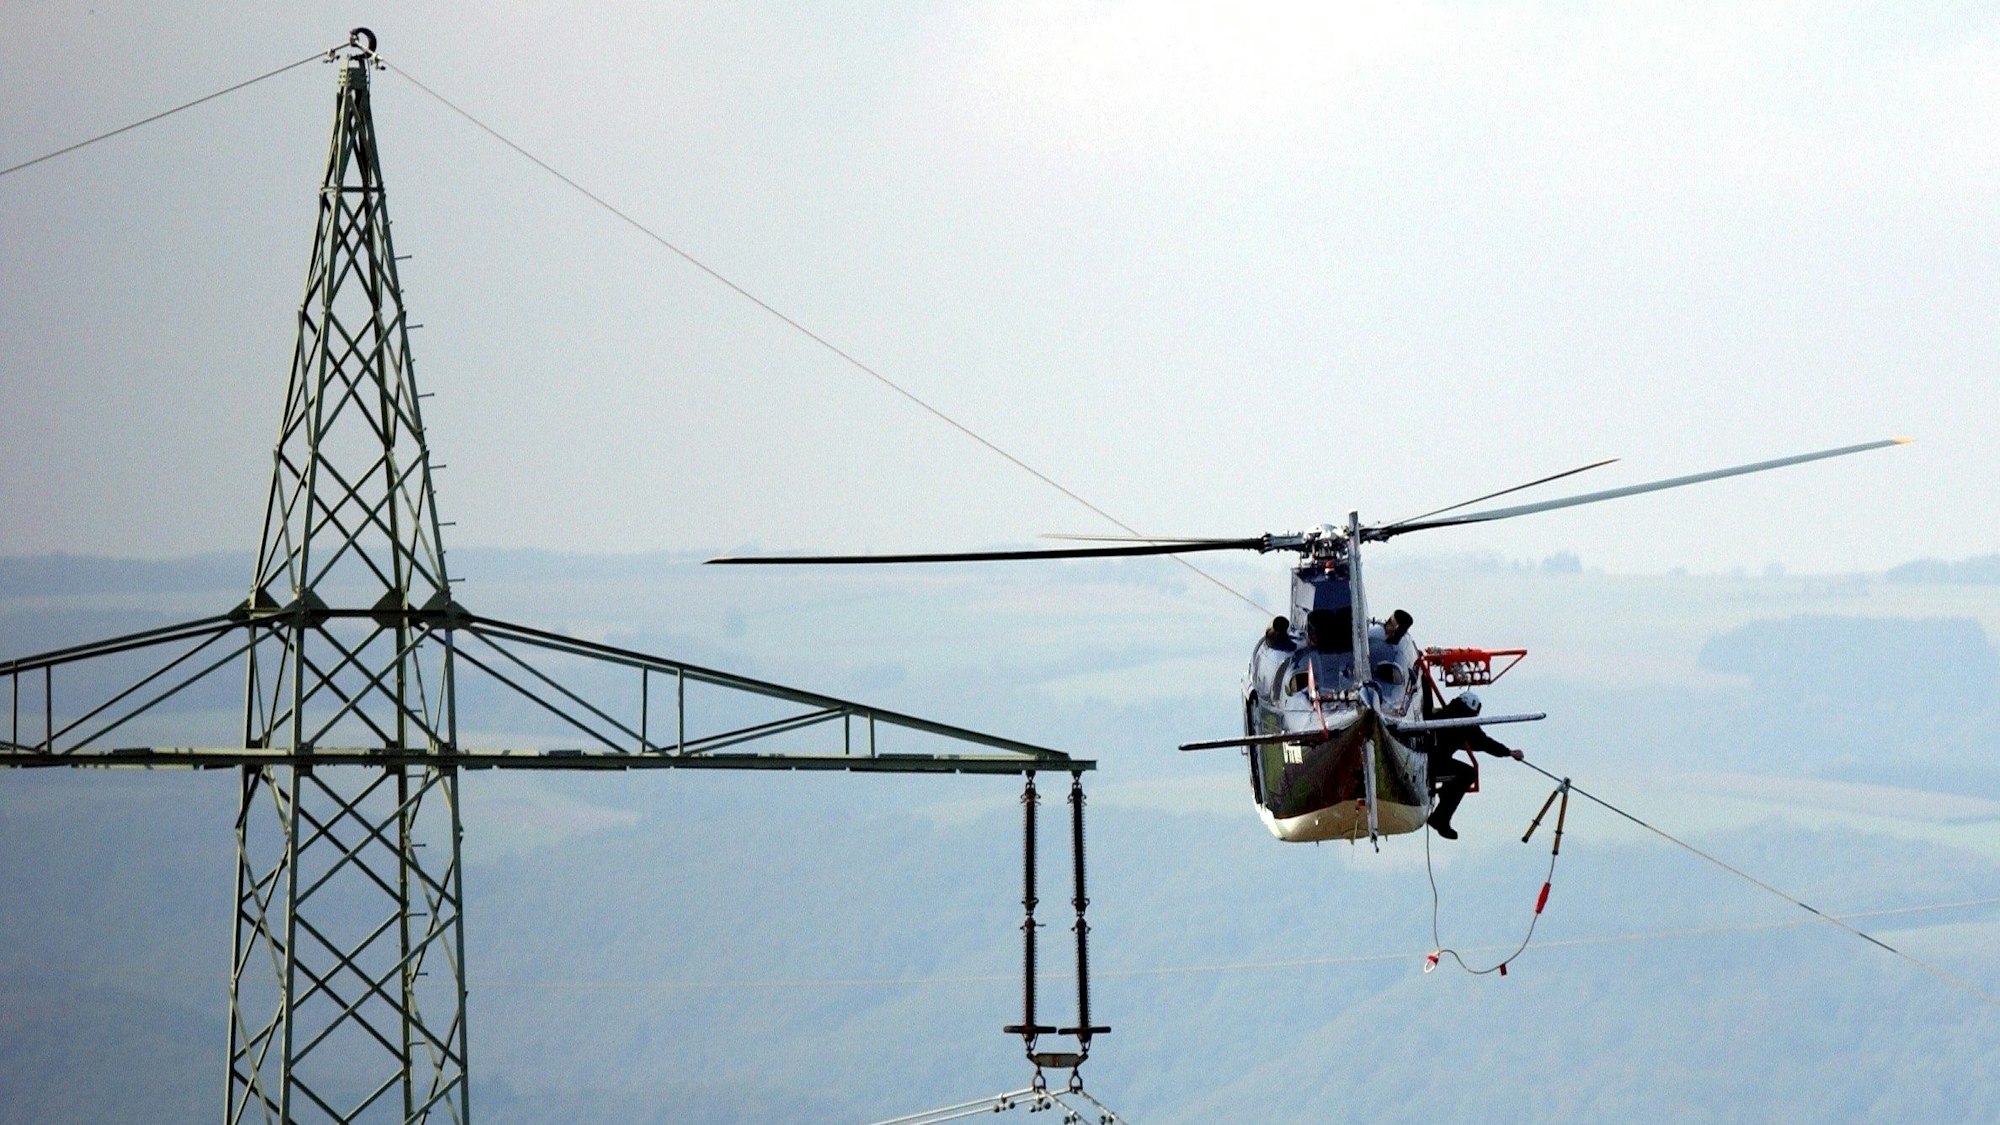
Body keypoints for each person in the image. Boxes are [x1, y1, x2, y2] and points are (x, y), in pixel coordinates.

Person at [1424, 690, 1523, 840]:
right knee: (1468, 774)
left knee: (1460, 773)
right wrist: (1509, 752)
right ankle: (1440, 818)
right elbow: (1484, 743)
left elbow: (1478, 743)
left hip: (1427, 758)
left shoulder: (1443, 713)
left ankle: (1443, 802)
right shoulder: (1465, 723)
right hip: (1433, 763)